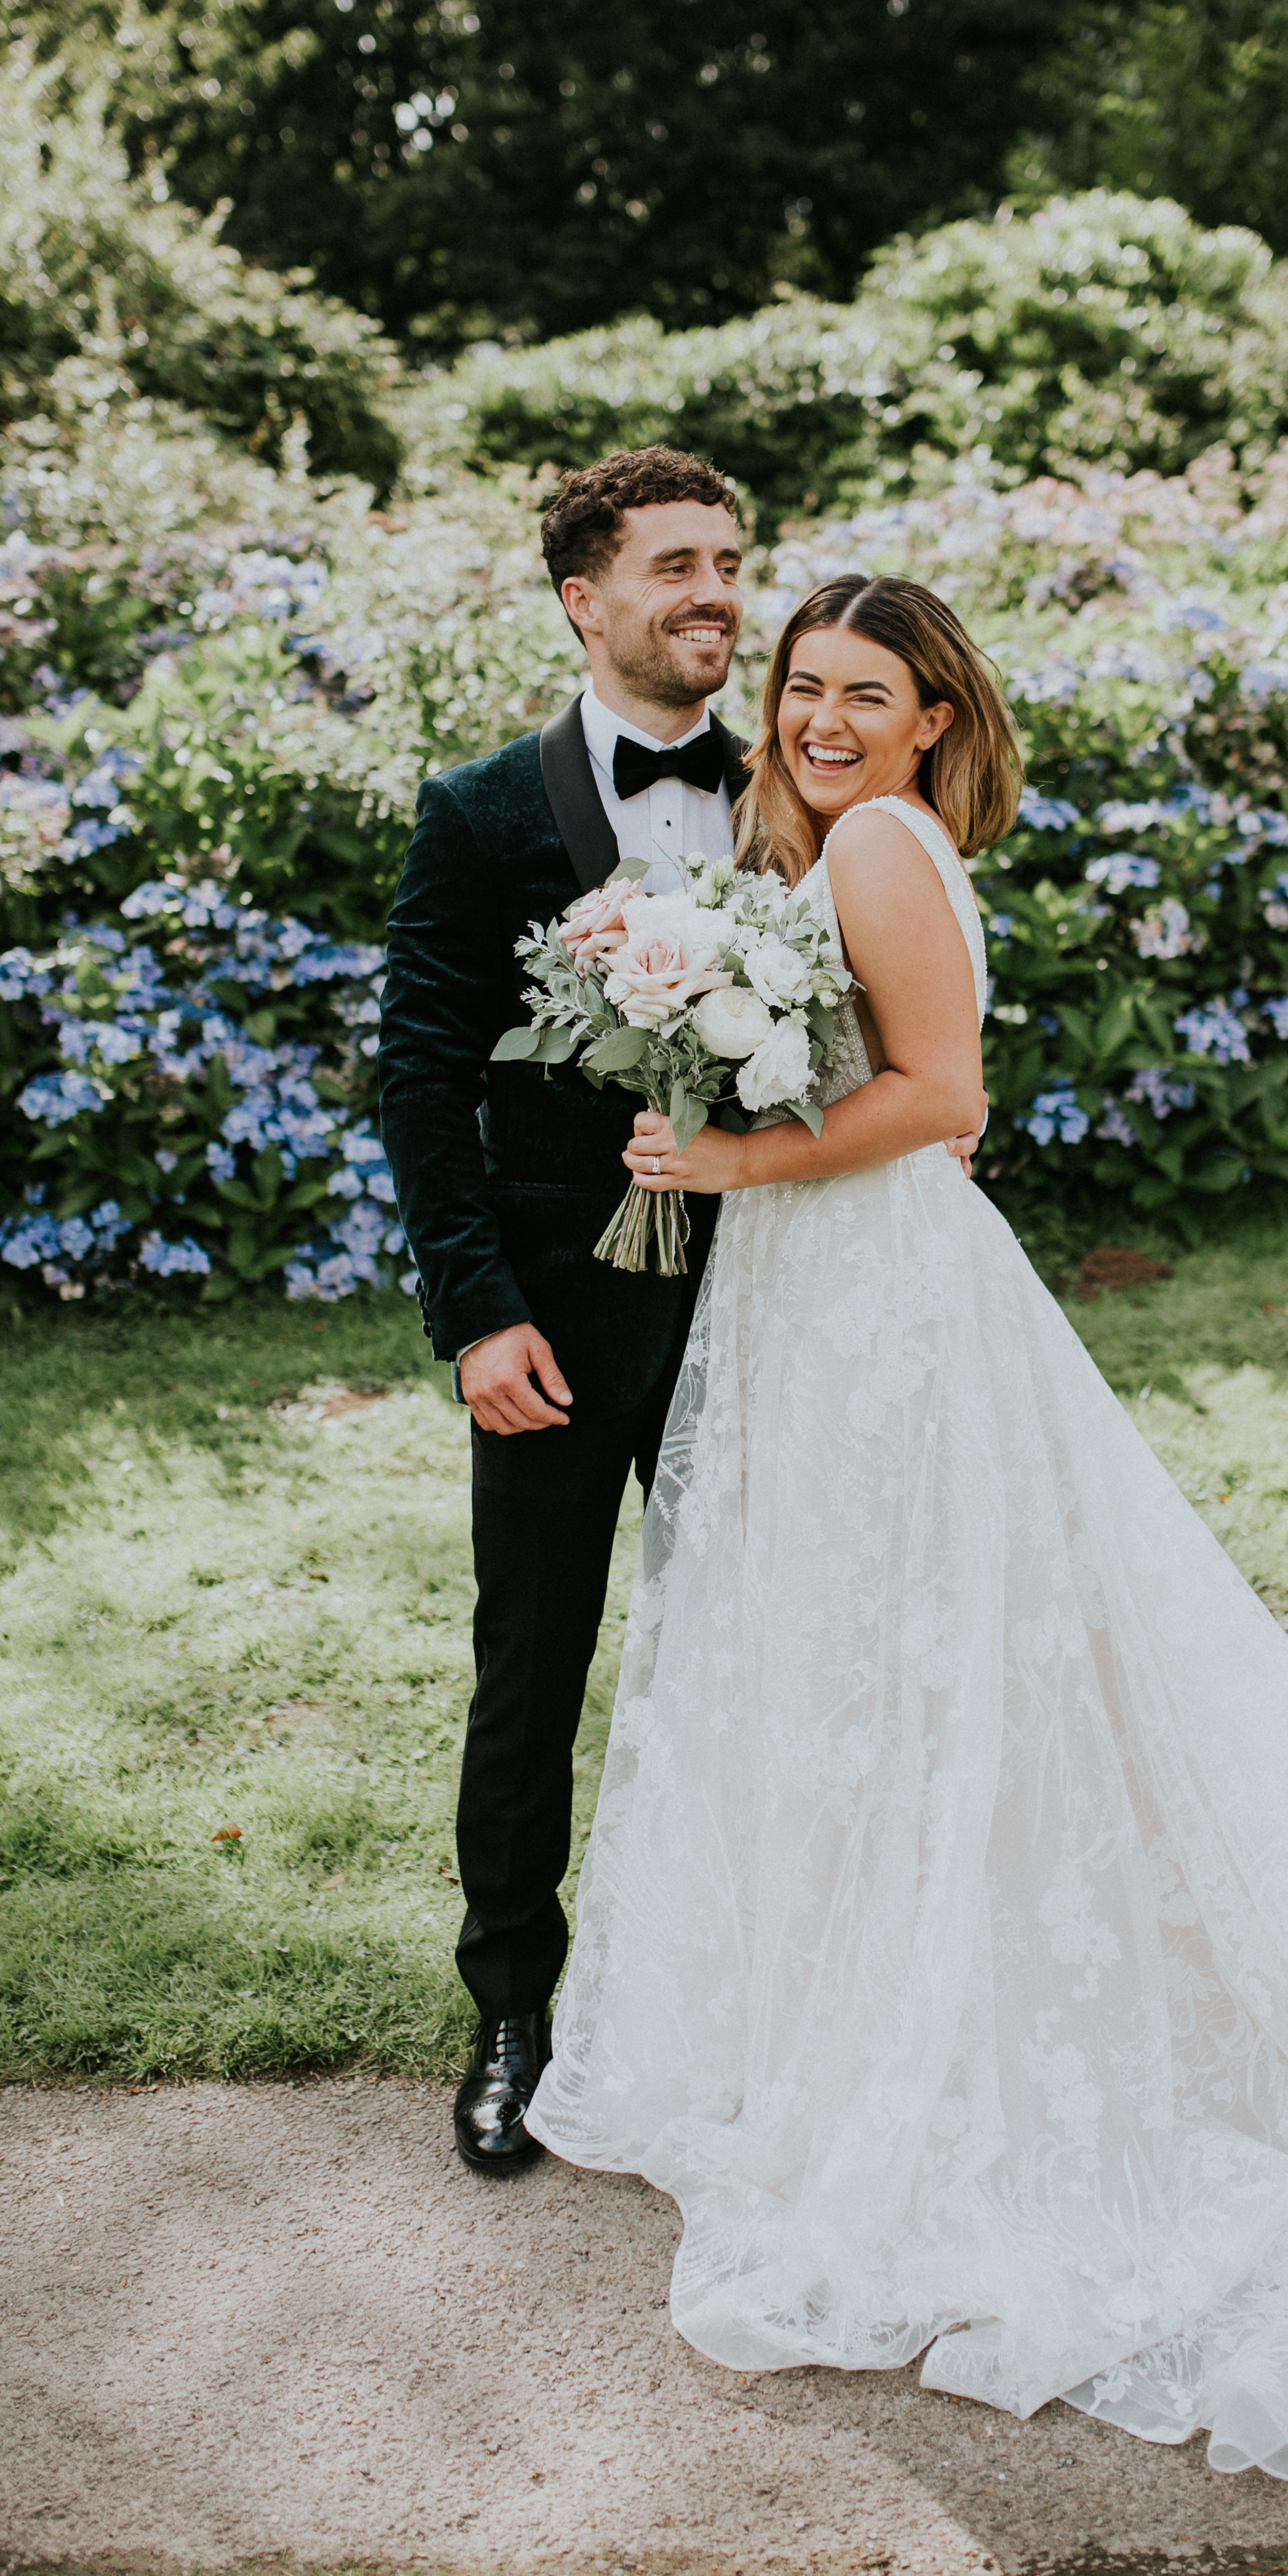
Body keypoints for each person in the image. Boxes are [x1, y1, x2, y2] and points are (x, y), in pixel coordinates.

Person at [530, 569, 1288, 2561]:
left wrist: (726, 1157)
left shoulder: (870, 839)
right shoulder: (840, 833)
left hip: (877, 1303)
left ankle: (932, 2019)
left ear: (936, 714)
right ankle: (863, 1994)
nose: (823, 718)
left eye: (868, 692)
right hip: (833, 1296)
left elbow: (942, 1102)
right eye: (804, 687)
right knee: (862, 1661)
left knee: (913, 1655)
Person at [379, 453, 980, 2175]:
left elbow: (896, 1031)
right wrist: (477, 1315)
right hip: (559, 1326)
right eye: (676, 568)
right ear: (586, 596)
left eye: (730, 564)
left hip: (777, 1323)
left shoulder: (800, 787)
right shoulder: (483, 810)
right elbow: (421, 1081)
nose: (716, 594)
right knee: (532, 1666)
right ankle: (511, 2009)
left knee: (783, 1664)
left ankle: (771, 2008)